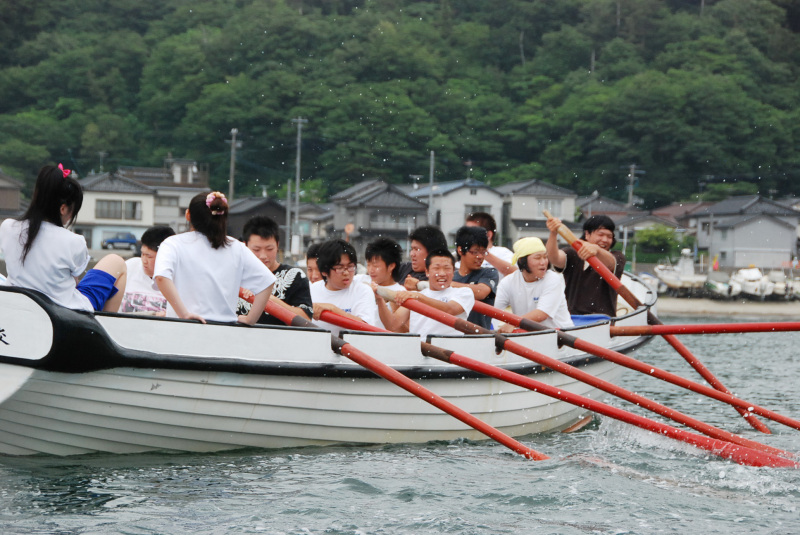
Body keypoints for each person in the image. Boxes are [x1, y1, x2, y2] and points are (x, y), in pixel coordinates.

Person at [0, 164, 127, 312]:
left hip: (21, 306)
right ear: (63, 208)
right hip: (66, 312)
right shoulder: (74, 241)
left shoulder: (8, 227)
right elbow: (75, 279)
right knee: (117, 262)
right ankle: (108, 325)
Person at [154, 191, 275, 324]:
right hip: (224, 330)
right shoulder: (236, 247)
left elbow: (161, 277)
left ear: (188, 215)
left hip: (182, 327)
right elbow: (267, 282)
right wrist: (250, 319)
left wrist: (184, 314)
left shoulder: (173, 244)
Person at [237, 216, 313, 324]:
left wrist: (268, 299)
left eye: (269, 249)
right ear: (245, 246)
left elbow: (305, 320)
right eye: (256, 250)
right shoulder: (234, 276)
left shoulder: (295, 276)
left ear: (277, 245)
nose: (263, 255)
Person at [546, 214, 625, 317]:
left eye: (609, 236)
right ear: (587, 234)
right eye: (600, 235)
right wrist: (553, 233)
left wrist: (596, 250)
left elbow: (611, 263)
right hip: (572, 318)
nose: (605, 240)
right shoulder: (572, 253)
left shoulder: (617, 257)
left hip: (604, 320)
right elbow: (554, 258)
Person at [385, 249, 474, 340]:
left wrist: (419, 297)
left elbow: (450, 310)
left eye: (447, 268)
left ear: (453, 272)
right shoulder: (414, 296)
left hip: (451, 350)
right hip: (419, 351)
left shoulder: (464, 292)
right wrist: (380, 301)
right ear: (427, 272)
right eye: (436, 268)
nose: (442, 273)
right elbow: (392, 325)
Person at [494, 237, 573, 332]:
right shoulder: (507, 282)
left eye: (545, 257)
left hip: (560, 336)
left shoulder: (553, 279)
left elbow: (541, 314)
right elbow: (494, 312)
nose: (543, 262)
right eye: (537, 258)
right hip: (528, 336)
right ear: (522, 261)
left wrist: (513, 323)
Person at [309, 239, 378, 336]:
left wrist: (333, 310)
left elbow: (366, 329)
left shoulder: (362, 290)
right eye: (340, 268)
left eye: (350, 266)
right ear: (324, 271)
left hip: (351, 349)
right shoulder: (312, 290)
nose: (346, 273)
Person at [119, 225, 175, 315]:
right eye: (142, 254)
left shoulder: (178, 279)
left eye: (149, 256)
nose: (144, 261)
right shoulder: (129, 267)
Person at [451, 225, 499, 330]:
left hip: (479, 337)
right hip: (452, 336)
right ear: (460, 250)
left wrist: (449, 286)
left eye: (483, 252)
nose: (480, 256)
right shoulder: (450, 276)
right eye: (475, 252)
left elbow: (481, 292)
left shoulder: (489, 273)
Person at [361, 237, 406, 330]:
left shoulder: (401, 293)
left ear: (391, 266)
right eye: (368, 264)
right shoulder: (360, 281)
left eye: (375, 265)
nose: (370, 270)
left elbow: (397, 328)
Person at [464, 212, 516, 278]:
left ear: (488, 235)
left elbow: (516, 273)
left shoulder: (502, 252)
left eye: (472, 232)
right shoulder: (461, 254)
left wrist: (483, 252)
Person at [396, 225, 448, 290]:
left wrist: (418, 285)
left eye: (417, 249)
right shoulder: (404, 268)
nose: (412, 254)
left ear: (432, 253)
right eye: (412, 249)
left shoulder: (447, 275)